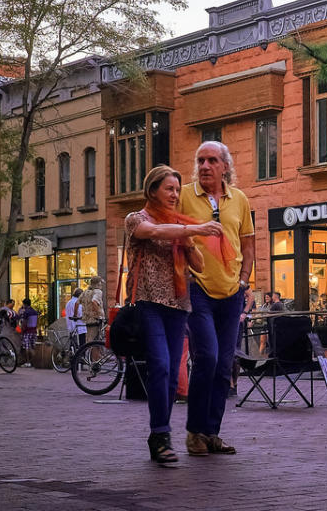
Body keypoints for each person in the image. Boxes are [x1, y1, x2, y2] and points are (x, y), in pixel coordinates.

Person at [126, 164, 215, 466]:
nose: (176, 194)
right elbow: (152, 232)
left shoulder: (179, 226)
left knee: (172, 376)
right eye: (169, 188)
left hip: (179, 306)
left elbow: (200, 266)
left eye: (178, 189)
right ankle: (161, 434)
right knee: (161, 366)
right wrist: (194, 228)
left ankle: (159, 436)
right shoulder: (136, 219)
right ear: (152, 190)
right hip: (149, 302)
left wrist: (189, 242)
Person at [180, 141, 255, 458]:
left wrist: (244, 281)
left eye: (212, 160)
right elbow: (170, 231)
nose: (205, 166)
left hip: (232, 294)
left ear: (225, 166)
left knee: (225, 365)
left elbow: (248, 244)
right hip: (198, 289)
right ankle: (193, 432)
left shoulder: (239, 199)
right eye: (200, 160)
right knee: (207, 358)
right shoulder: (184, 195)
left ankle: (211, 433)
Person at [79, 276, 105, 341]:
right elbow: (94, 301)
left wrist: (75, 314)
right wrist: (99, 314)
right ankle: (89, 350)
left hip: (87, 319)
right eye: (101, 283)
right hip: (95, 320)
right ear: (98, 283)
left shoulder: (85, 292)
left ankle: (87, 350)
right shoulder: (98, 291)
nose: (101, 285)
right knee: (94, 340)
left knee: (89, 339)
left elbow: (77, 303)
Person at [18, 297, 39, 367]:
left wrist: (22, 330)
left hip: (27, 331)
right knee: (33, 346)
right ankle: (34, 361)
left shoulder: (26, 312)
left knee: (27, 347)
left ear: (25, 304)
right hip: (34, 331)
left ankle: (28, 361)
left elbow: (24, 322)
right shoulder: (35, 311)